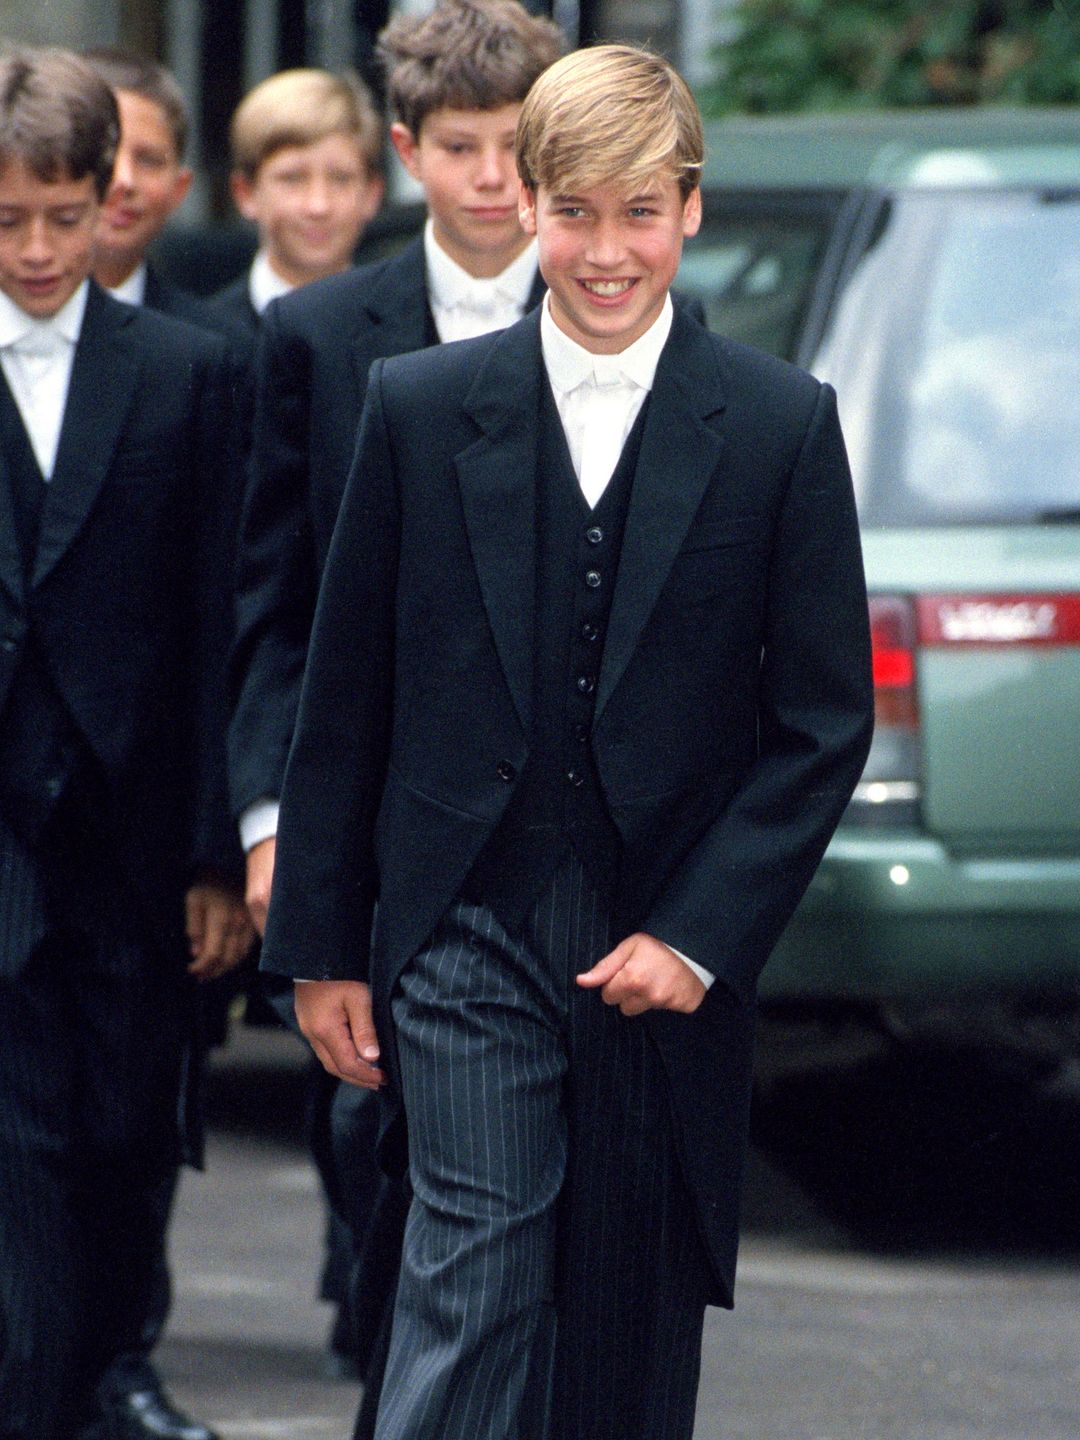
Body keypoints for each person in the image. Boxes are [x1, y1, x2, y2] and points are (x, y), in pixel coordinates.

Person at [260, 42, 875, 1440]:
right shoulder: (417, 412)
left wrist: (702, 934)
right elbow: (345, 695)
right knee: (472, 1272)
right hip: (463, 929)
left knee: (625, 1318)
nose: (607, 251)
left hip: (658, 941)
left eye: (640, 212)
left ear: (692, 209)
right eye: (576, 212)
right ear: (523, 204)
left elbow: (820, 725)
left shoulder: (781, 427)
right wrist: (323, 947)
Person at [228, 1, 562, 1426]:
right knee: (381, 1139)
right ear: (410, 152)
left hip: (560, 825)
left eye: (518, 149)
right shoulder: (314, 335)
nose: (493, 181)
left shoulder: (623, 305)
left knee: (543, 1194)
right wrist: (270, 822)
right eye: (465, 149)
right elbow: (274, 606)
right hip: (380, 821)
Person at [0, 48, 250, 1440]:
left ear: (113, 201)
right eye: (5, 220)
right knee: (19, 1143)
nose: (37, 250)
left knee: (120, 1134)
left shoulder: (194, 372)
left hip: (134, 835)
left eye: (62, 216)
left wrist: (219, 853)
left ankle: (94, 1373)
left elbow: (225, 618)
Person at [208, 67, 384, 340]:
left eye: (340, 179)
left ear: (372, 194)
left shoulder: (401, 334)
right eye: (292, 179)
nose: (318, 206)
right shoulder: (205, 337)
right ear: (246, 193)